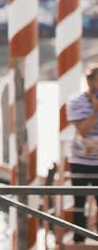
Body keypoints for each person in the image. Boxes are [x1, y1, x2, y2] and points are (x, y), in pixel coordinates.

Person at [66, 64, 98, 244]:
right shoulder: (76, 101)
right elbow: (83, 132)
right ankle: (79, 241)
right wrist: (95, 110)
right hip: (81, 162)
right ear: (90, 81)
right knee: (79, 204)